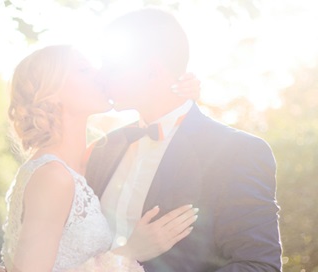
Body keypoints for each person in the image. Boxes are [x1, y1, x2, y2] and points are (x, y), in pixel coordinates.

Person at [85, 8, 282, 272]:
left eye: (112, 66)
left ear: (152, 70)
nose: (101, 76)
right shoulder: (103, 150)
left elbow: (259, 265)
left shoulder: (236, 152)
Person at [0, 45, 200, 272]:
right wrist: (129, 253)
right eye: (84, 70)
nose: (101, 75)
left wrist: (173, 93)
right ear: (51, 94)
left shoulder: (87, 164)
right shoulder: (53, 177)